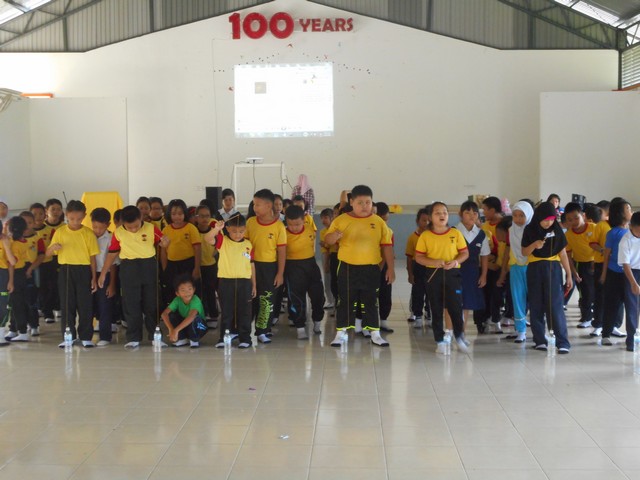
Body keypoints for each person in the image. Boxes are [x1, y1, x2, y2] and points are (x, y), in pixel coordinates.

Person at [325, 184, 394, 347]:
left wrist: (391, 269)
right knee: (345, 300)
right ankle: (340, 333)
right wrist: (333, 237)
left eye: (368, 202)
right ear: (352, 202)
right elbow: (328, 240)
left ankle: (375, 334)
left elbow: (387, 246)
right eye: (360, 203)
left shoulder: (378, 222)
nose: (364, 206)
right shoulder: (341, 220)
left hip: (371, 268)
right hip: (347, 267)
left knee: (371, 301)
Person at [99, 205, 169, 348]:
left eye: (136, 226)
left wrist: (166, 242)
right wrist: (103, 273)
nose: (133, 229)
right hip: (128, 268)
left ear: (141, 218)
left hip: (148, 267)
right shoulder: (118, 233)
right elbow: (112, 254)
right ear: (123, 223)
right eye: (129, 227)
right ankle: (133, 337)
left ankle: (155, 336)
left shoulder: (151, 228)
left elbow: (163, 241)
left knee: (152, 303)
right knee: (131, 304)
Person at [415, 202, 469, 353]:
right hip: (433, 275)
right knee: (436, 308)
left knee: (456, 307)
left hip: (452, 274)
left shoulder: (455, 233)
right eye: (437, 213)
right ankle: (439, 340)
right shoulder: (425, 236)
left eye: (444, 212)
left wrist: (456, 261)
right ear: (430, 217)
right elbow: (419, 257)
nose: (442, 215)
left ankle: (459, 336)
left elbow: (465, 253)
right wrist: (433, 262)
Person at [521, 202, 573, 354]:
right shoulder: (530, 229)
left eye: (551, 220)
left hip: (553, 268)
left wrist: (569, 274)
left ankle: (562, 341)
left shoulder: (557, 230)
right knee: (536, 304)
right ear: (539, 217)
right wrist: (534, 245)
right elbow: (524, 252)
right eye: (545, 220)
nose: (548, 223)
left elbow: (563, 254)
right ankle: (539, 340)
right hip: (535, 268)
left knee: (555, 304)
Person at [46, 200, 100, 348]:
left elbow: (93, 258)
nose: (75, 222)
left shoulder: (88, 233)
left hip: (84, 270)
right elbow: (48, 253)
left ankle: (86, 337)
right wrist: (53, 248)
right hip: (66, 270)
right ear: (66, 215)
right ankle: (68, 336)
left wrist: (94, 278)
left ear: (84, 216)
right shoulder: (60, 232)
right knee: (67, 305)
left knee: (85, 305)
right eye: (71, 219)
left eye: (79, 218)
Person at [205, 215, 256, 349]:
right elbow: (208, 238)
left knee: (245, 311)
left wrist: (254, 284)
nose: (237, 234)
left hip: (245, 282)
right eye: (234, 231)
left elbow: (252, 265)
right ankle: (224, 337)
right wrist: (217, 229)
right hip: (226, 282)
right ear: (227, 229)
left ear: (245, 230)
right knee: (227, 311)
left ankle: (245, 338)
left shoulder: (248, 244)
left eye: (241, 231)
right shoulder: (223, 241)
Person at [244, 189, 286, 344]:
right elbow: (244, 245)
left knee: (266, 299)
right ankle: (244, 330)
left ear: (269, 206)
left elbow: (282, 251)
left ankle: (263, 330)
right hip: (251, 266)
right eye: (254, 204)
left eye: (258, 205)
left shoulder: (279, 226)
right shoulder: (250, 222)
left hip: (270, 268)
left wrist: (280, 273)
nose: (254, 207)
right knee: (250, 297)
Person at [283, 205, 325, 339]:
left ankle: (317, 322)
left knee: (318, 296)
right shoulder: (283, 234)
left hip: (310, 265)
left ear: (304, 220)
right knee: (296, 298)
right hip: (293, 267)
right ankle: (300, 326)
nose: (294, 227)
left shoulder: (310, 229)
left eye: (297, 224)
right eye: (290, 224)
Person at [600, 199, 633, 345]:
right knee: (612, 303)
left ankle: (627, 332)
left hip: (630, 273)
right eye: (628, 209)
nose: (631, 211)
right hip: (615, 273)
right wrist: (604, 274)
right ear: (620, 214)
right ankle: (606, 334)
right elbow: (607, 254)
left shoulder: (632, 231)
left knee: (629, 305)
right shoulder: (613, 233)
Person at [456, 201, 489, 335]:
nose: (471, 216)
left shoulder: (481, 234)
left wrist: (483, 275)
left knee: (466, 303)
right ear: (460, 214)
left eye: (475, 213)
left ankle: (461, 332)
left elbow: (485, 255)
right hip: (456, 272)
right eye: (467, 213)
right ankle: (451, 330)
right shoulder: (454, 231)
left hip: (472, 273)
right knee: (455, 302)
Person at [161, 199, 201, 305]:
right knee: (173, 291)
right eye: (174, 214)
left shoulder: (191, 228)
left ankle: (192, 312)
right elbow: (163, 251)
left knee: (188, 291)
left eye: (180, 214)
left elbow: (197, 249)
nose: (177, 217)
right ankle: (175, 313)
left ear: (185, 214)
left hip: (188, 264)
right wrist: (165, 268)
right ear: (169, 214)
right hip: (172, 266)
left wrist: (197, 268)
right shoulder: (166, 230)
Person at [564, 202, 597, 330]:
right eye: (569, 220)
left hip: (596, 263)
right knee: (585, 293)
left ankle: (599, 318)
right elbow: (568, 256)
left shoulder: (594, 228)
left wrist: (596, 261)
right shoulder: (568, 235)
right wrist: (573, 272)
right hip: (581, 265)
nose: (573, 222)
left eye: (576, 218)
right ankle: (586, 317)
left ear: (583, 215)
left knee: (598, 292)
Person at [506, 201, 533, 343]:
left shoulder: (534, 230)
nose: (518, 219)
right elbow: (511, 249)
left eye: (521, 215)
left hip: (531, 266)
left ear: (528, 215)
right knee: (517, 298)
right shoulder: (511, 230)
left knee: (535, 299)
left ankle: (539, 329)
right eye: (515, 215)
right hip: (516, 266)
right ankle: (521, 330)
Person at [91, 208, 118, 346]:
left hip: (105, 274)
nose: (97, 230)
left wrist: (112, 284)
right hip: (90, 274)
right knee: (91, 304)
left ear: (108, 224)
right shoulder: (88, 236)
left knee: (105, 305)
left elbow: (113, 264)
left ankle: (105, 336)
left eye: (101, 228)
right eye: (94, 227)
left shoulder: (111, 238)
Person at [160, 275, 208, 348]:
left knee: (194, 319)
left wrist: (175, 331)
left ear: (194, 289)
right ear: (177, 293)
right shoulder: (177, 300)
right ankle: (182, 338)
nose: (187, 293)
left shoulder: (195, 300)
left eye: (189, 289)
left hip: (199, 327)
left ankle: (194, 340)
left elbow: (191, 316)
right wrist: (171, 329)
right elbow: (164, 314)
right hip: (186, 326)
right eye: (183, 290)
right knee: (171, 315)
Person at [3, 217, 30, 342]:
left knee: (17, 305)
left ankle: (22, 331)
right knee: (15, 304)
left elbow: (12, 264)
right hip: (21, 273)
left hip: (15, 275)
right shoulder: (23, 241)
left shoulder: (14, 245)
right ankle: (13, 329)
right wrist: (5, 228)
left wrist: (11, 281)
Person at [19, 211, 45, 337]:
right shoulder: (15, 238)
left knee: (32, 298)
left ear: (34, 223)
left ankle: (34, 325)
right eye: (23, 222)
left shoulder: (37, 238)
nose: (26, 225)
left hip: (33, 270)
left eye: (29, 222)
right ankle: (23, 325)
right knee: (20, 299)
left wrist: (30, 269)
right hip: (19, 270)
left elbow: (41, 256)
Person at [38, 198, 65, 324]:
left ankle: (58, 307)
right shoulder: (42, 227)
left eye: (58, 209)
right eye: (53, 209)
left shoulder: (65, 227)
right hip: (45, 261)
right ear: (46, 211)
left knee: (58, 285)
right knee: (46, 287)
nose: (56, 212)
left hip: (61, 259)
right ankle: (47, 311)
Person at [618, 211, 640, 352]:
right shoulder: (625, 240)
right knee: (632, 307)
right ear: (631, 226)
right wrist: (633, 283)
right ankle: (631, 340)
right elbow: (625, 264)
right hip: (632, 273)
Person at [195, 205, 219, 328]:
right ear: (196, 217)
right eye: (201, 216)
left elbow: (219, 246)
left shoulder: (214, 231)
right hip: (197, 266)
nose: (204, 219)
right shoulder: (193, 231)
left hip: (211, 266)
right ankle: (202, 315)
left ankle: (213, 315)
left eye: (207, 216)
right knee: (199, 291)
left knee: (210, 290)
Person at [406, 207, 430, 328]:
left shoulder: (433, 236)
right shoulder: (413, 237)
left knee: (431, 292)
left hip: (431, 266)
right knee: (417, 292)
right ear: (417, 221)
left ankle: (429, 312)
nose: (426, 223)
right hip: (418, 266)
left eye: (429, 220)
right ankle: (417, 314)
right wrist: (410, 273)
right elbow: (409, 257)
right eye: (424, 220)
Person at [585, 204, 606, 337]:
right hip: (599, 263)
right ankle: (598, 324)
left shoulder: (622, 227)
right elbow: (592, 243)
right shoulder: (600, 226)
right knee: (599, 295)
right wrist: (603, 251)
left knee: (615, 297)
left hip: (616, 266)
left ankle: (614, 325)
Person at [375, 202, 394, 333]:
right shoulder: (371, 230)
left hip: (384, 266)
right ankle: (366, 322)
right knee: (370, 295)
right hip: (371, 265)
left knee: (385, 293)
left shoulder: (389, 231)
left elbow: (389, 250)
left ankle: (383, 321)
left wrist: (387, 267)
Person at [0, 221, 17, 346]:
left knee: (3, 306)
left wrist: (11, 281)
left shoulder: (5, 241)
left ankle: (1, 335)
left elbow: (12, 262)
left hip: (3, 275)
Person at [319, 208, 336, 311]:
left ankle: (335, 300)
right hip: (326, 255)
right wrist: (326, 263)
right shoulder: (323, 232)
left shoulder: (335, 230)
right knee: (327, 278)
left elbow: (328, 245)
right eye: (322, 218)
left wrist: (326, 244)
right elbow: (325, 248)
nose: (323, 220)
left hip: (335, 255)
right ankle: (330, 300)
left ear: (332, 218)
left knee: (335, 279)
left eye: (325, 218)